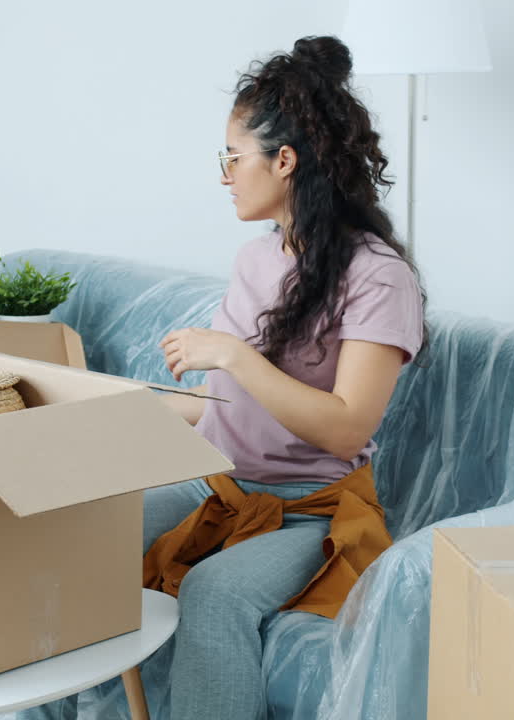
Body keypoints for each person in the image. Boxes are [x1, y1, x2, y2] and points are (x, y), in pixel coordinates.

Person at [26, 34, 427, 720]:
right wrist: (114, 405)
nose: (224, 174)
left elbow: (346, 425)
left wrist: (236, 354)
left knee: (214, 593)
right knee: (80, 539)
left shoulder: (380, 277)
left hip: (313, 511)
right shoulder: (255, 260)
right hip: (219, 484)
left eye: (232, 158)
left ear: (286, 161)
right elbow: (220, 405)